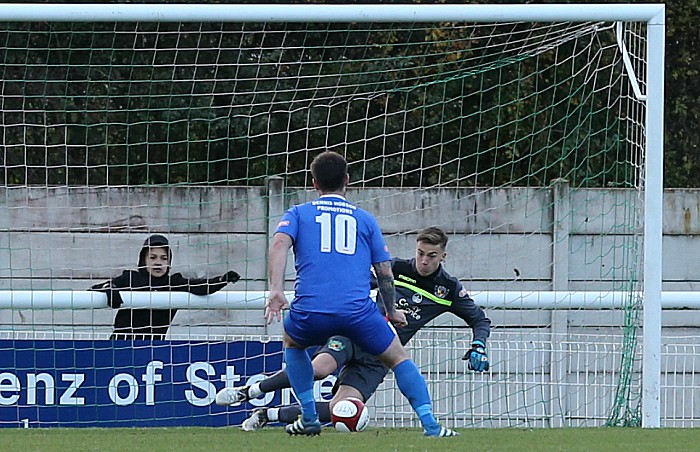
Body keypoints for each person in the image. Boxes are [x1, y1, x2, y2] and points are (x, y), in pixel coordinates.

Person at [216, 226, 491, 431]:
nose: (424, 261)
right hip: (356, 333)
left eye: (432, 256)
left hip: (380, 357)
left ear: (443, 256)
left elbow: (480, 320)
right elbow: (356, 284)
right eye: (420, 253)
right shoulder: (395, 269)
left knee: (342, 408)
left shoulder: (449, 289)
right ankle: (249, 392)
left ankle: (268, 415)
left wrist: (479, 344)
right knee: (318, 368)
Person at [262, 151, 458, 437]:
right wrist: (391, 311)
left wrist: (276, 290)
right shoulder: (365, 220)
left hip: (311, 310)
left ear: (314, 183)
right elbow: (384, 271)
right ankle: (431, 425)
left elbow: (280, 244)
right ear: (347, 181)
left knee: (293, 343)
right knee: (398, 358)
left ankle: (308, 416)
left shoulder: (297, 213)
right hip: (357, 313)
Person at [91, 234, 241, 340]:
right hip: (120, 345)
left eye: (164, 258)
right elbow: (95, 289)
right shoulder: (130, 278)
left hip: (155, 348)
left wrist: (223, 280)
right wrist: (110, 289)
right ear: (143, 260)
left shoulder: (174, 282)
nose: (158, 262)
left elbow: (200, 287)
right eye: (153, 257)